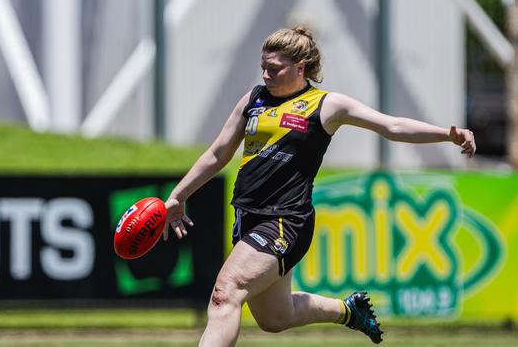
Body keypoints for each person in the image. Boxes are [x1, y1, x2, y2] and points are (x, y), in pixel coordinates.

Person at [162, 26, 476, 347]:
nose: (266, 75)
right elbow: (218, 153)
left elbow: (392, 126)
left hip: (285, 219)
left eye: (274, 69)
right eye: (263, 67)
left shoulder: (326, 105)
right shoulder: (254, 99)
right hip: (247, 216)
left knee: (225, 293)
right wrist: (178, 195)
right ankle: (348, 310)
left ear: (300, 68)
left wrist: (446, 133)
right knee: (275, 319)